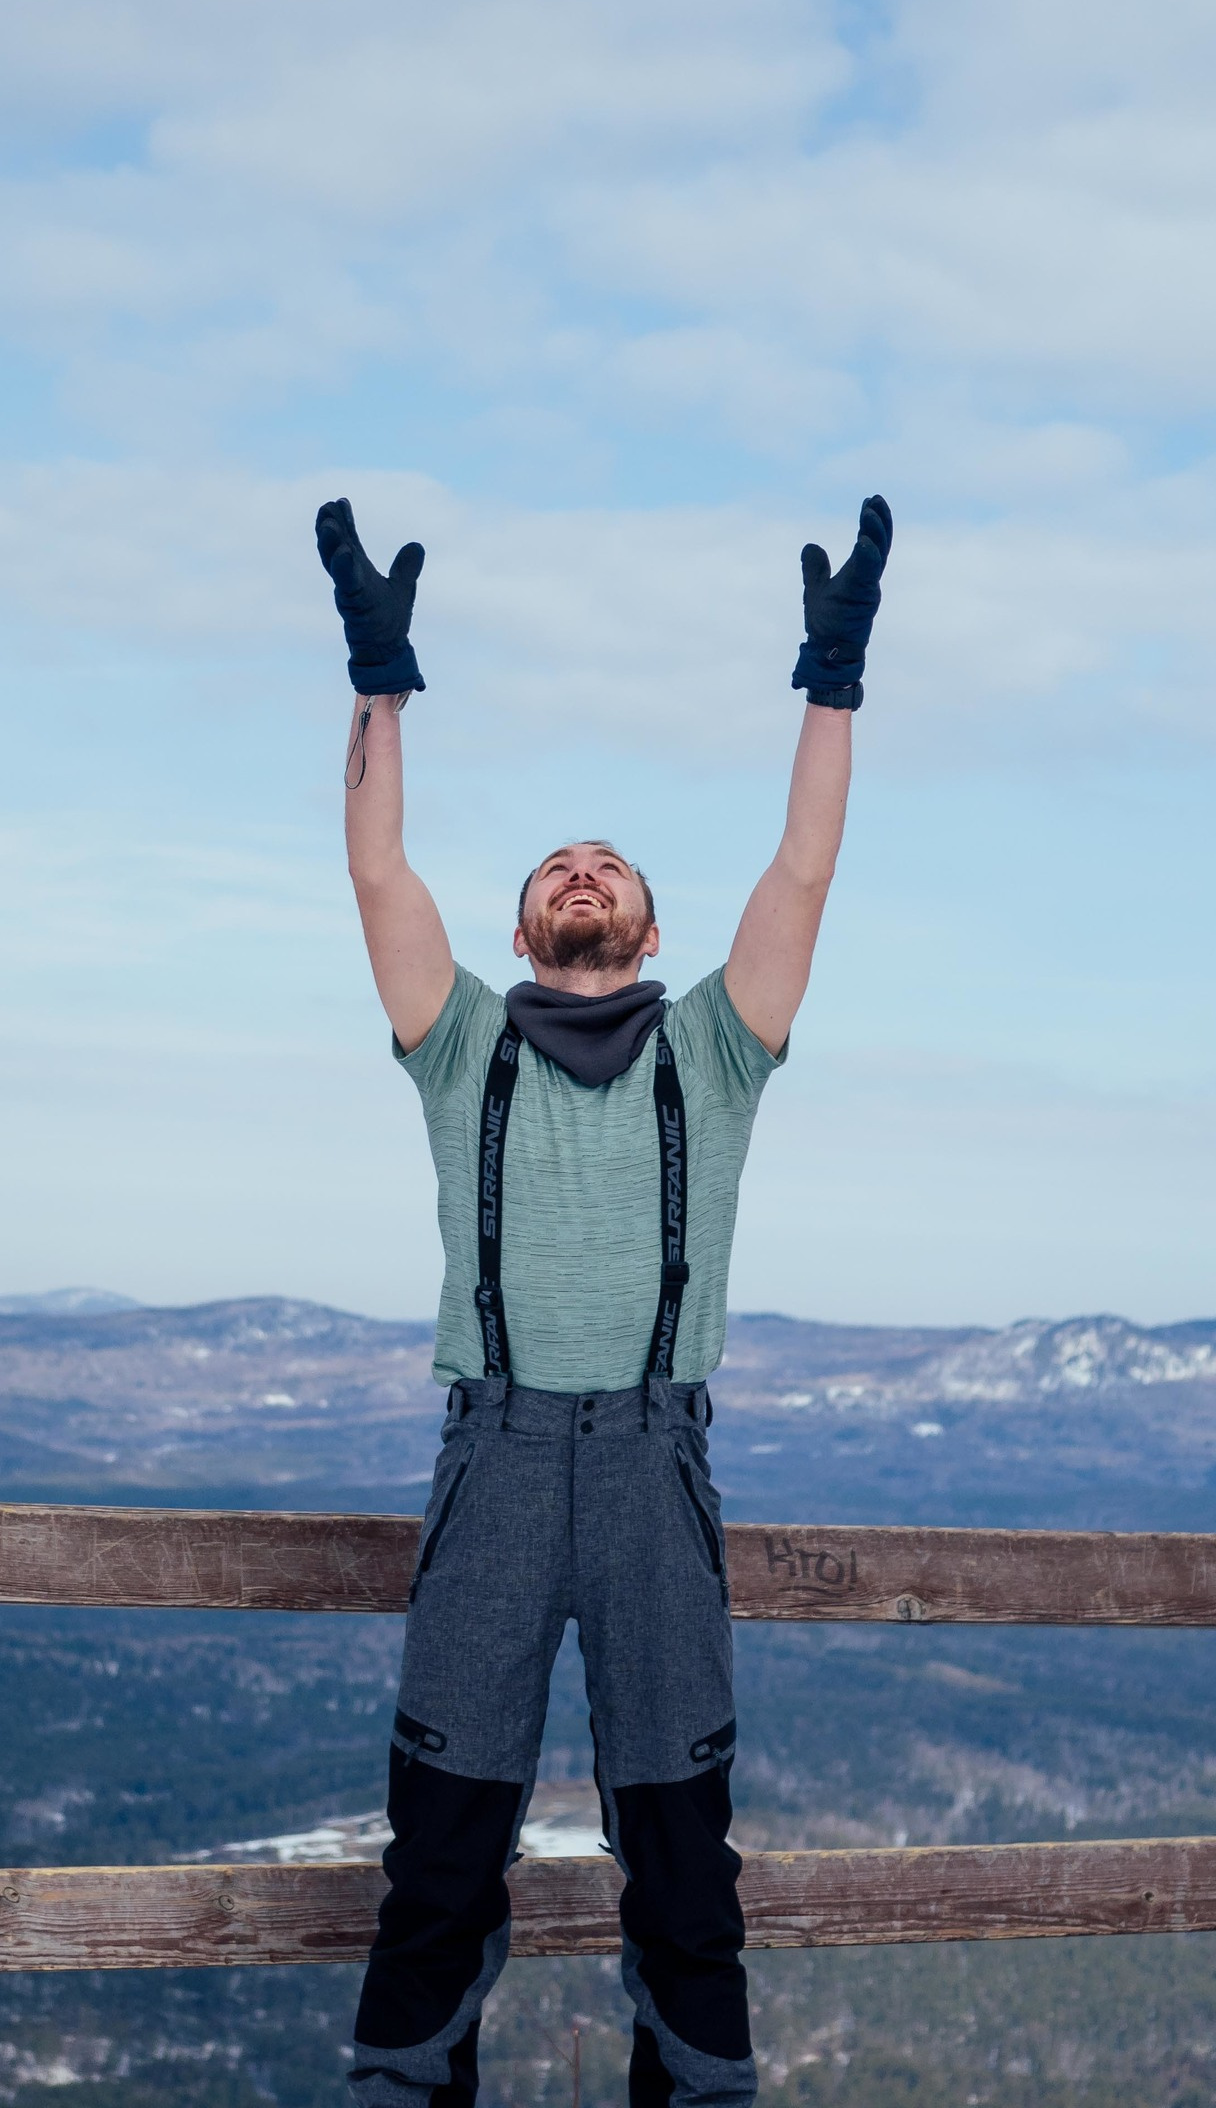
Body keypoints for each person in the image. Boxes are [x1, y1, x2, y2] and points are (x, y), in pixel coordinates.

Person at [314, 496, 893, 2107]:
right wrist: (380, 678)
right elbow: (374, 870)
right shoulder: (461, 1045)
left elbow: (807, 864)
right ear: (524, 930)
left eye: (608, 864)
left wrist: (831, 679)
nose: (582, 873)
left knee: (685, 1878)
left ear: (650, 924)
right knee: (438, 1859)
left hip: (652, 1471)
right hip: (493, 1469)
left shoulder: (718, 1046)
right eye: (558, 867)